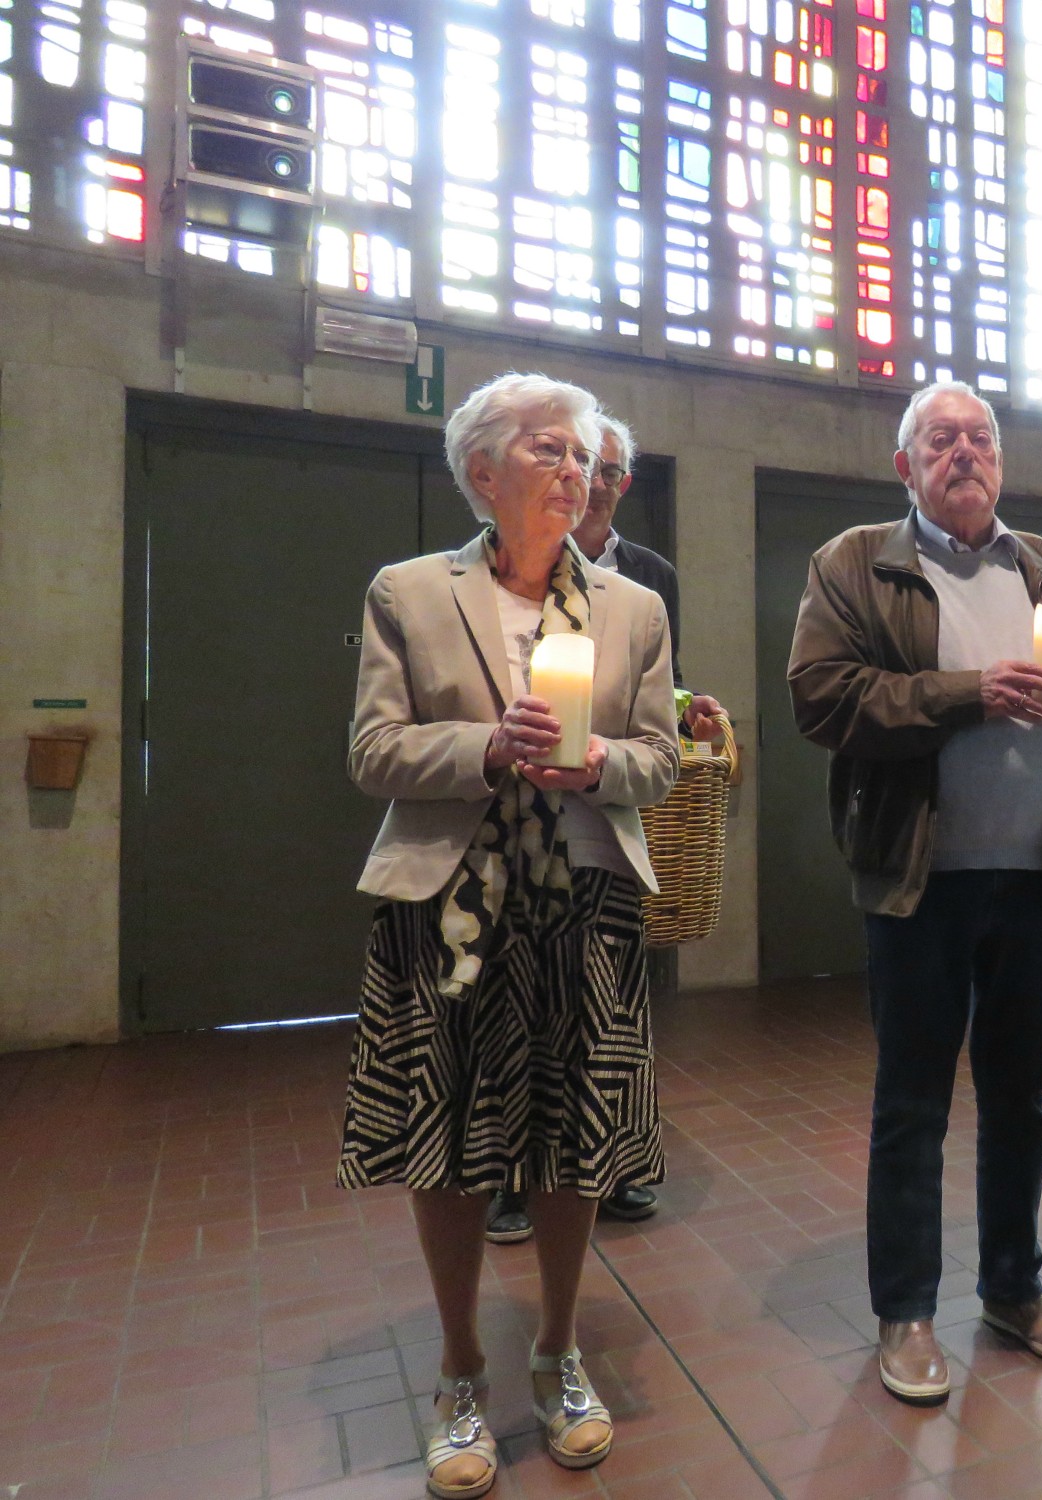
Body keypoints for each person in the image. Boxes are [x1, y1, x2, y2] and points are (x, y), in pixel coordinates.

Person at [337, 372, 680, 1498]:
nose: (573, 471)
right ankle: (458, 1370)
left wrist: (593, 764)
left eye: (581, 454)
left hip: (583, 900)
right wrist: (488, 747)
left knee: (577, 1137)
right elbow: (375, 750)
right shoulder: (409, 591)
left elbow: (660, 764)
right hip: (450, 906)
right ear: (481, 472)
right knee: (444, 1138)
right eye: (545, 450)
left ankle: (557, 1349)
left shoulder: (633, 608)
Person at [787, 380, 1042, 1405]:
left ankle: (1013, 1290)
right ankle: (906, 1315)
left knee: (1021, 1099)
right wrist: (969, 696)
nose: (964, 453)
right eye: (940, 440)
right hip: (917, 879)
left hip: (1027, 880)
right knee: (912, 1104)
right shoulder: (856, 562)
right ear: (904, 465)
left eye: (980, 437)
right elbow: (822, 697)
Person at [484, 409, 723, 1245]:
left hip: (609, 807)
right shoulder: (495, 566)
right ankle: (510, 1178)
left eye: (612, 471)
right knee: (512, 1012)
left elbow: (664, 691)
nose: (595, 482)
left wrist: (691, 713)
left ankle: (619, 1162)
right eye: (587, 463)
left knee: (624, 1006)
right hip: (509, 825)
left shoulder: (649, 578)